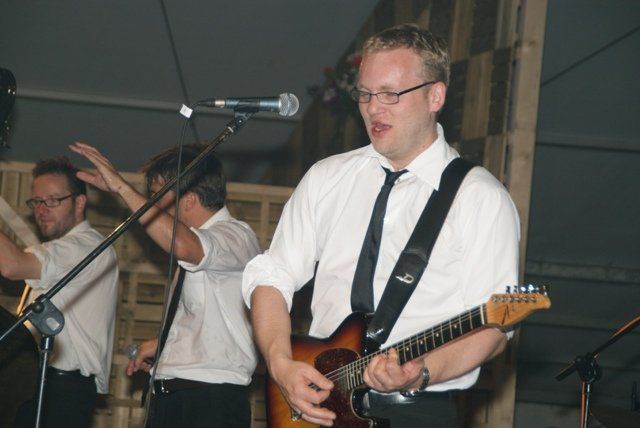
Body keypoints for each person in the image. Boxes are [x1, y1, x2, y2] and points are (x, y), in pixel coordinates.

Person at [242, 23, 520, 427]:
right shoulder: (326, 177)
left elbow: (494, 327)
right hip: (320, 404)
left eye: (390, 94)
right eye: (366, 94)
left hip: (416, 411)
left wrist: (422, 372)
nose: (374, 108)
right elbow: (272, 275)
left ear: (435, 96)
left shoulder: (481, 198)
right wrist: (280, 363)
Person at [70, 142, 260, 428]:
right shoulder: (198, 244)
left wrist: (122, 188)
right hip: (173, 396)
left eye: (157, 195)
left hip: (210, 401)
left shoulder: (235, 235)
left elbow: (185, 246)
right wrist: (163, 346)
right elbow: (211, 318)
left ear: (189, 200)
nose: (151, 204)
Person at [2, 157, 119, 428]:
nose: (42, 209)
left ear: (79, 203)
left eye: (53, 200)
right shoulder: (61, 249)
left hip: (62, 388)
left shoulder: (84, 246)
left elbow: (11, 265)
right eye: (36, 201)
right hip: (43, 382)